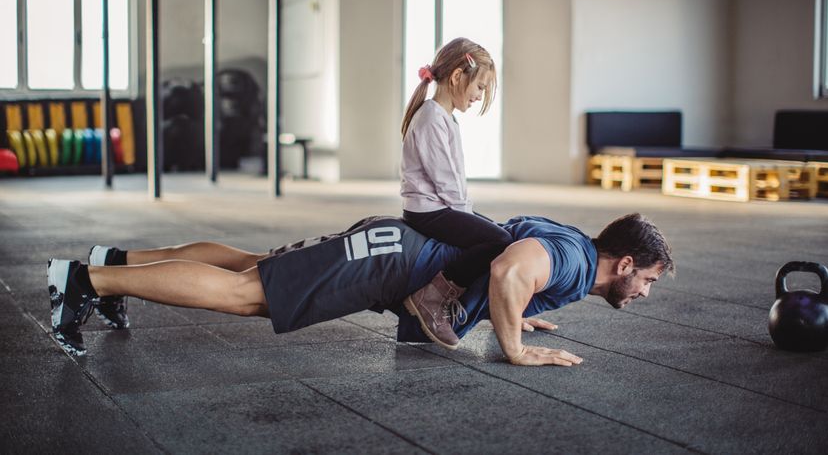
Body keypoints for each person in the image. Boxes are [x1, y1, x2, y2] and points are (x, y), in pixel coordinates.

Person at [47, 213, 674, 366]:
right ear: (624, 264)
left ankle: (113, 265)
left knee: (253, 268)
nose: (645, 293)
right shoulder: (568, 259)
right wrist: (513, 344)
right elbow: (512, 268)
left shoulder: (569, 253)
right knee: (248, 293)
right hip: (390, 263)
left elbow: (505, 278)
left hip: (390, 250)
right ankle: (83, 280)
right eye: (647, 280)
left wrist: (513, 314)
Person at [400, 37, 513, 350]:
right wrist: (467, 215)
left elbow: (452, 182)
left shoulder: (443, 117)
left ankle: (494, 305)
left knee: (502, 234)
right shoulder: (430, 117)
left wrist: (469, 213)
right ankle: (430, 298)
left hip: (439, 206)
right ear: (456, 77)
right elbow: (446, 183)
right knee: (498, 240)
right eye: (479, 87)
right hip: (428, 211)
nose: (479, 97)